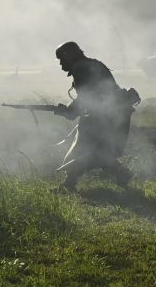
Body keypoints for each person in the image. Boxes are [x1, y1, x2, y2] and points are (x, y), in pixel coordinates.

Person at [53, 41, 139, 190]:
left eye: (62, 59)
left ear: (68, 57)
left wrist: (68, 111)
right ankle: (122, 174)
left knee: (82, 151)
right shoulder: (91, 64)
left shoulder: (80, 68)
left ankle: (68, 185)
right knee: (99, 152)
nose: (61, 64)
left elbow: (86, 98)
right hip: (113, 113)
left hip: (107, 114)